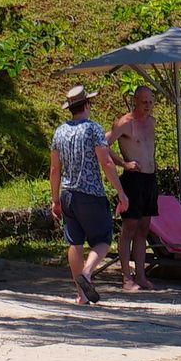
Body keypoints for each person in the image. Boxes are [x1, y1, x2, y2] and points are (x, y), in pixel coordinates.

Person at [49, 86, 115, 304]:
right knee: (104, 238)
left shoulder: (59, 132)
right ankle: (86, 273)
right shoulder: (94, 129)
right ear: (87, 105)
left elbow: (54, 169)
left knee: (74, 242)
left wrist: (55, 199)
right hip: (91, 193)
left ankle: (81, 295)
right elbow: (105, 161)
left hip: (68, 194)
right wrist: (121, 193)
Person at [109, 87, 164, 281]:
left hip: (149, 179)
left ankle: (141, 275)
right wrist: (124, 163)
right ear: (135, 101)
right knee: (129, 228)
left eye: (150, 102)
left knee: (143, 228)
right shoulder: (125, 123)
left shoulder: (152, 122)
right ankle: (126, 276)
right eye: (144, 102)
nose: (148, 106)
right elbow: (102, 145)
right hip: (133, 179)